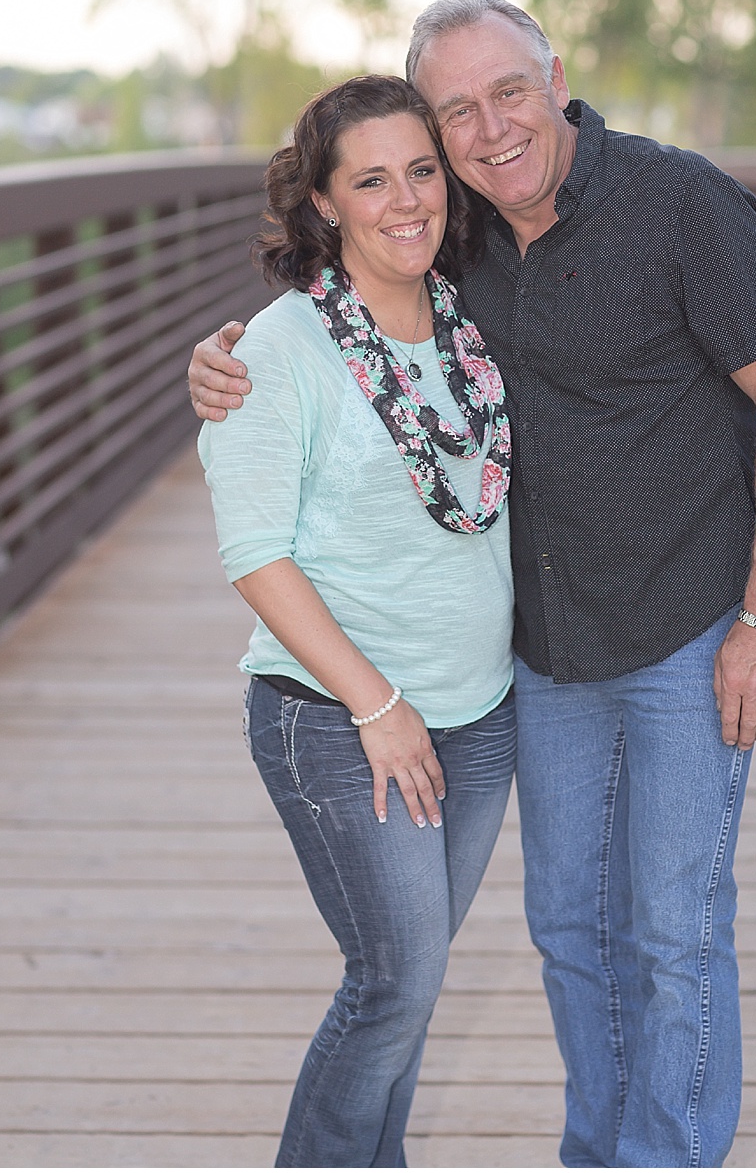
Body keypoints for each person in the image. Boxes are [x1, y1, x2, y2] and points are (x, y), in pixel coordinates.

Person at [190, 0, 756, 1168]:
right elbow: (337, 316)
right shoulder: (458, 235)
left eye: (505, 93)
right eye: (453, 116)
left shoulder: (680, 203)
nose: (485, 135)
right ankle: (599, 1151)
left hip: (686, 626)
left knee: (672, 927)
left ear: (554, 77)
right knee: (570, 928)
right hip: (537, 653)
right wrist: (224, 357)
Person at [201, 74, 517, 1167]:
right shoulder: (276, 350)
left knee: (411, 987)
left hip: (477, 712)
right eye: (369, 179)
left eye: (421, 170)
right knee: (391, 983)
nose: (405, 200)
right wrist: (376, 703)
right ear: (324, 202)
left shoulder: (474, 311)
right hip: (341, 717)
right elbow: (253, 550)